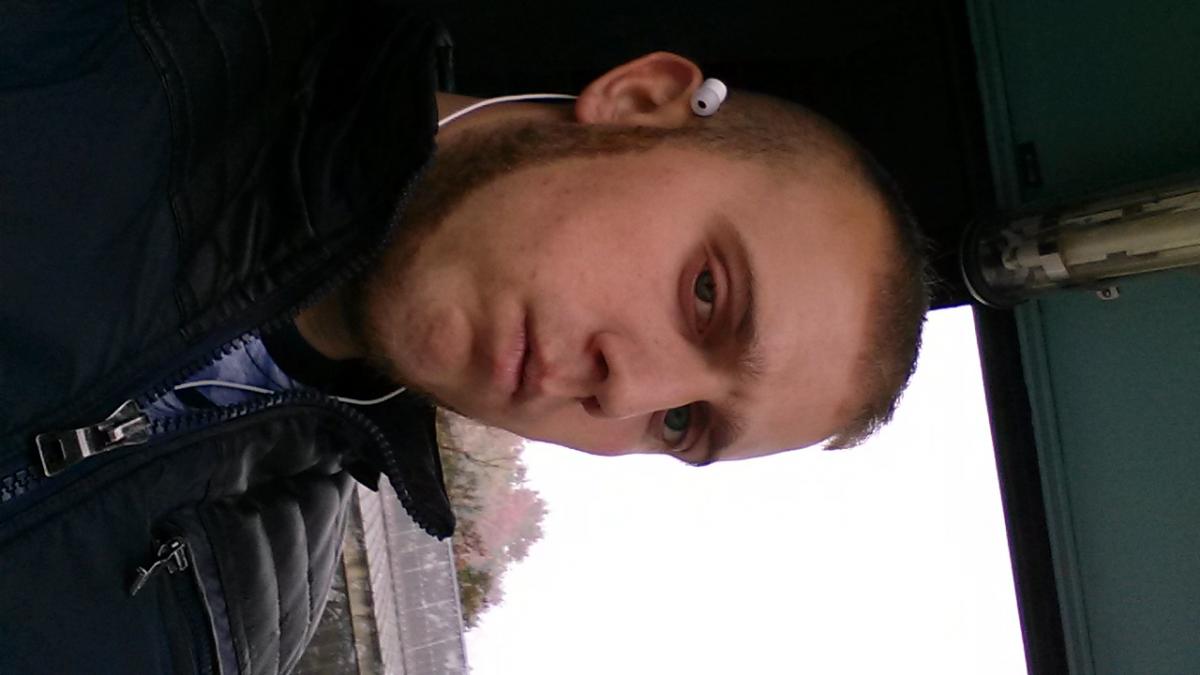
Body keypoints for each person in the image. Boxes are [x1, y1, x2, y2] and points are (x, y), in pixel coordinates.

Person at [0, 0, 927, 672]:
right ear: (638, 102)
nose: (625, 392)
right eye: (706, 293)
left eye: (683, 423)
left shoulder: (236, 615)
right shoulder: (143, 36)